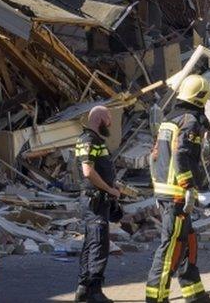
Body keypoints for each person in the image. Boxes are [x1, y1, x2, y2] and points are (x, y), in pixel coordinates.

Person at [145, 75, 210, 303]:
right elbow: (182, 155)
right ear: (200, 97)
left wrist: (158, 186)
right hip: (178, 194)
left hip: (167, 191)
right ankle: (156, 298)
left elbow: (154, 155)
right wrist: (188, 187)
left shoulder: (170, 119)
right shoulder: (190, 121)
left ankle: (195, 295)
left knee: (188, 243)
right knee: (171, 248)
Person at [75, 106, 122, 303]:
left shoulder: (94, 140)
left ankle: (83, 289)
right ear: (100, 119)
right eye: (108, 119)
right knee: (98, 245)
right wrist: (109, 190)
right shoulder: (89, 140)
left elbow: (98, 170)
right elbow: (88, 171)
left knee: (91, 243)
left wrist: (113, 184)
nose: (110, 123)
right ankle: (94, 291)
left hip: (97, 200)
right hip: (95, 200)